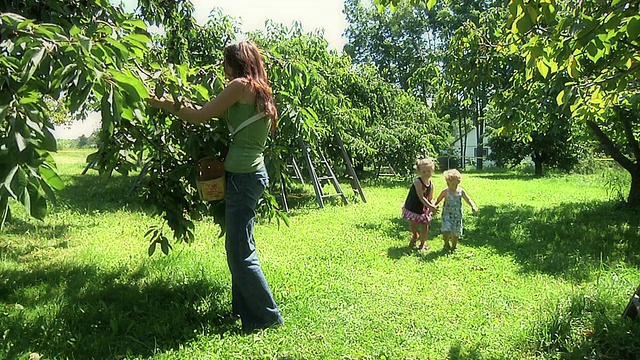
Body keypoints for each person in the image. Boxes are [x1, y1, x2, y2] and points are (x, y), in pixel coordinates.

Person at [147, 41, 284, 333]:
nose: (223, 68)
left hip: (245, 177)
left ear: (236, 62)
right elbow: (210, 112)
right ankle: (246, 312)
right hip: (251, 175)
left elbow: (199, 115)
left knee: (239, 252)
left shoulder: (238, 85)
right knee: (240, 246)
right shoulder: (262, 91)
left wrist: (161, 103)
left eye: (225, 62)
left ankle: (268, 317)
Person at [434, 169, 478, 251]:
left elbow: (468, 199)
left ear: (458, 182)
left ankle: (454, 245)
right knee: (445, 230)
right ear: (447, 182)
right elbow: (437, 200)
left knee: (456, 232)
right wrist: (432, 207)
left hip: (457, 216)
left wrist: (473, 206)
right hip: (446, 215)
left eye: (455, 184)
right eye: (450, 184)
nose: (452, 186)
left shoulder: (460, 191)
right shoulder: (445, 191)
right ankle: (446, 244)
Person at [401, 158, 439, 250]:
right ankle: (415, 235)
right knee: (413, 223)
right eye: (424, 172)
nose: (426, 173)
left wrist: (433, 206)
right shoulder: (418, 182)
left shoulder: (431, 184)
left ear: (432, 170)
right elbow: (421, 197)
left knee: (425, 224)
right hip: (413, 206)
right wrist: (431, 206)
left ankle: (423, 243)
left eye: (428, 171)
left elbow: (430, 198)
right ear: (419, 172)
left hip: (424, 207)